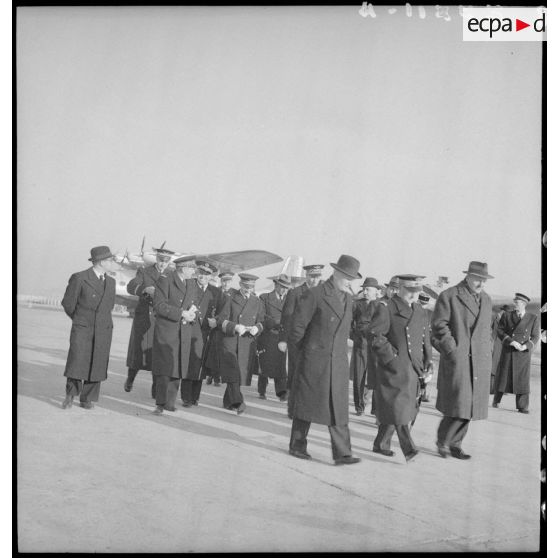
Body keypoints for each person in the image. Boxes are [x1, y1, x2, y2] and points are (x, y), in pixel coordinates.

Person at [288, 255, 362, 465]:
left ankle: (343, 453)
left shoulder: (348, 299)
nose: (350, 282)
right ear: (336, 273)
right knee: (306, 405)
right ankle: (297, 446)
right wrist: (305, 356)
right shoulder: (315, 294)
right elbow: (297, 329)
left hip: (338, 363)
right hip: (314, 361)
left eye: (352, 278)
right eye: (347, 277)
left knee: (339, 408)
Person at [366, 275, 433, 462]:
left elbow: (425, 339)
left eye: (417, 291)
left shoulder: (420, 310)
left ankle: (381, 444)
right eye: (410, 291)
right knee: (399, 408)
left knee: (400, 407)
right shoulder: (386, 307)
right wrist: (392, 359)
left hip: (414, 368)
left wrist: (428, 362)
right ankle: (409, 450)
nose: (414, 295)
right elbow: (375, 335)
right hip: (394, 368)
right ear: (400, 289)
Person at [431, 261, 494, 460]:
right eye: (477, 279)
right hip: (459, 359)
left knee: (470, 406)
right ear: (467, 276)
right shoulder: (450, 295)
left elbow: (487, 330)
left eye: (484, 280)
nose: (481, 283)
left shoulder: (486, 300)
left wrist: (488, 352)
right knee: (457, 403)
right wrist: (452, 349)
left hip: (479, 361)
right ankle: (443, 441)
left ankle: (456, 444)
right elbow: (439, 325)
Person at [61, 246, 116, 409]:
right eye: (110, 260)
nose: (112, 263)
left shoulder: (111, 282)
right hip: (83, 327)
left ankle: (88, 398)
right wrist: (80, 319)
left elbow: (109, 306)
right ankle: (70, 395)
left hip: (103, 329)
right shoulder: (80, 278)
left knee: (98, 362)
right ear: (101, 262)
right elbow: (68, 303)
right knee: (77, 360)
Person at [151, 256, 200, 415]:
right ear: (183, 268)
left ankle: (169, 403)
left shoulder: (191, 283)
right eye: (192, 268)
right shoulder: (165, 280)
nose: (194, 271)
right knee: (165, 370)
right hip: (167, 331)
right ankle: (160, 404)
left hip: (184, 330)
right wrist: (181, 313)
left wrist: (193, 314)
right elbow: (159, 305)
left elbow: (194, 304)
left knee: (177, 367)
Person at [124, 247, 175, 396]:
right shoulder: (144, 271)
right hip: (144, 318)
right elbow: (131, 286)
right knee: (138, 352)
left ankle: (155, 388)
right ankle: (130, 379)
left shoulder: (171, 275)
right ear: (157, 259)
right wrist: (145, 289)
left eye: (166, 261)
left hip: (162, 319)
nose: (163, 264)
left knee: (157, 354)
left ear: (169, 262)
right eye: (160, 260)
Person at [279, 263, 324, 417]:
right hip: (297, 341)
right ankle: (293, 407)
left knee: (312, 373)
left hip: (316, 342)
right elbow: (287, 317)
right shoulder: (295, 293)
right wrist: (283, 339)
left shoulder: (323, 294)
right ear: (306, 276)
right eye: (311, 276)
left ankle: (307, 406)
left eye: (317, 276)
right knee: (295, 372)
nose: (314, 280)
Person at [216, 273, 264, 414]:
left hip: (246, 343)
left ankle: (228, 402)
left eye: (251, 287)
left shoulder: (257, 301)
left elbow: (262, 321)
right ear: (240, 284)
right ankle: (238, 402)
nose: (248, 289)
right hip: (230, 340)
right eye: (246, 286)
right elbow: (220, 320)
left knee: (238, 373)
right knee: (232, 372)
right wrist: (235, 326)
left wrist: (257, 328)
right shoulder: (230, 298)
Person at [180, 261, 221, 407]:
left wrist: (216, 321)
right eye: (201, 273)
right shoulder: (189, 284)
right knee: (189, 364)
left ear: (211, 277)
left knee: (200, 366)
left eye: (206, 274)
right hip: (190, 329)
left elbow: (222, 312)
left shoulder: (216, 291)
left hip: (205, 333)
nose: (202, 276)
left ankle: (195, 397)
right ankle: (186, 397)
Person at [492, 293, 540, 414]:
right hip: (508, 350)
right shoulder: (507, 315)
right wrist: (511, 342)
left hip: (523, 354)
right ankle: (496, 400)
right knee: (503, 377)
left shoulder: (533, 318)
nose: (515, 304)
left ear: (523, 304)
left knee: (522, 379)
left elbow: (535, 336)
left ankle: (522, 406)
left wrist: (526, 346)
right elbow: (500, 331)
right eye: (514, 302)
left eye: (517, 303)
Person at [349, 277, 381, 416]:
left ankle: (376, 409)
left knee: (377, 377)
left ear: (376, 291)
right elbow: (349, 323)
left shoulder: (381, 306)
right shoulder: (357, 304)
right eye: (364, 289)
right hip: (360, 345)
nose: (365, 292)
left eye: (368, 289)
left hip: (375, 346)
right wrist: (354, 336)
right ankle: (359, 406)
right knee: (358, 377)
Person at [257, 274, 291, 401]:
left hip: (282, 336)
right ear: (275, 285)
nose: (283, 289)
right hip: (268, 335)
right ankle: (262, 390)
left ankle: (281, 392)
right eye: (281, 286)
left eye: (286, 287)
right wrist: (276, 322)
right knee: (265, 364)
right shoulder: (265, 298)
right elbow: (262, 315)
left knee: (280, 365)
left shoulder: (289, 300)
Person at [204, 270, 235, 387]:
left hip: (226, 326)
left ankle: (217, 376)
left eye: (228, 281)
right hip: (214, 326)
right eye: (224, 281)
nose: (226, 284)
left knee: (223, 352)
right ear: (221, 281)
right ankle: (212, 375)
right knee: (213, 351)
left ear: (231, 282)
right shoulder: (215, 292)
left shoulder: (234, 294)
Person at [418, 291, 433, 403]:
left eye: (424, 304)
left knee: (426, 371)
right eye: (421, 303)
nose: (422, 306)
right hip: (416, 346)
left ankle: (423, 392)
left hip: (426, 347)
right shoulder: (413, 310)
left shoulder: (430, 314)